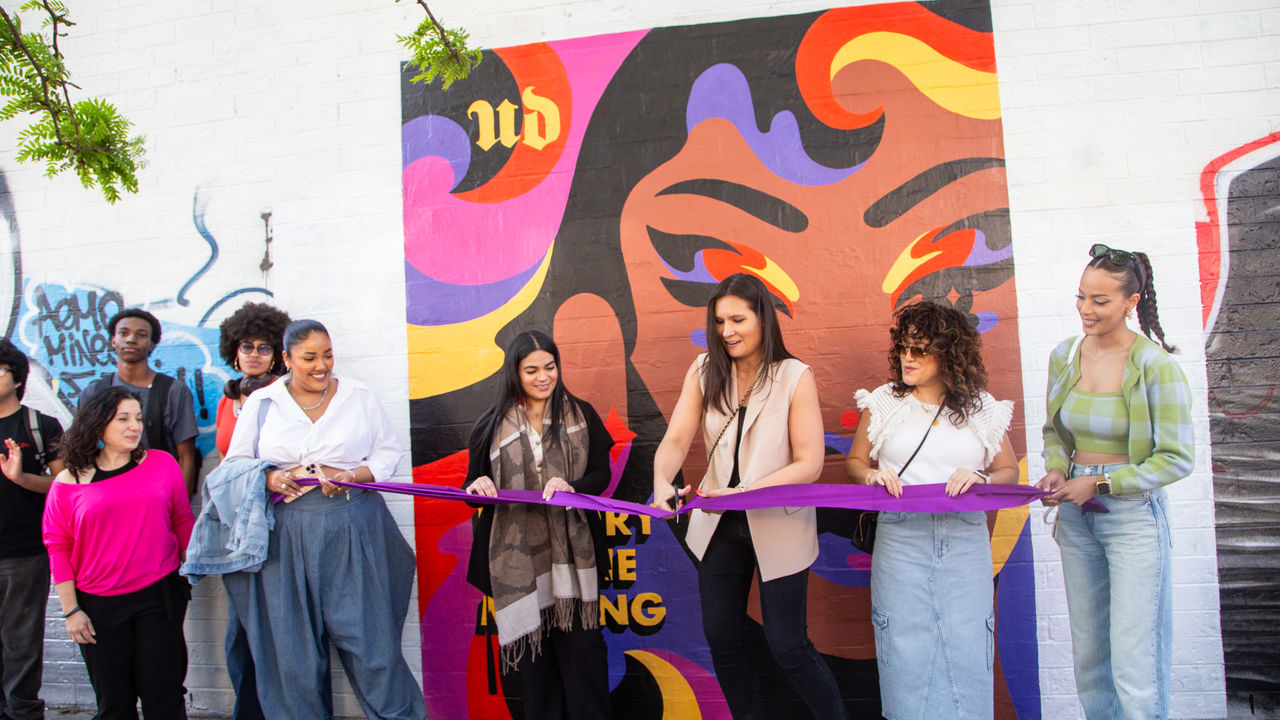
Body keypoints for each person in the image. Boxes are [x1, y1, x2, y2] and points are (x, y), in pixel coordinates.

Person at [650, 273, 846, 719]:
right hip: (718, 525)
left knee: (788, 644)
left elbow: (809, 463)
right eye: (719, 321)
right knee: (722, 638)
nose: (727, 331)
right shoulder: (703, 369)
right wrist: (662, 482)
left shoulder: (795, 375)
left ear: (763, 318)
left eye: (738, 319)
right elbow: (677, 439)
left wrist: (743, 493)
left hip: (779, 521)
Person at [221, 319, 425, 720]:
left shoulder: (358, 396)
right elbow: (234, 466)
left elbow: (387, 454)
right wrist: (270, 476)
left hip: (354, 525)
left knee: (372, 648)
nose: (321, 366)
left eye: (328, 355)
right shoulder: (263, 403)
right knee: (292, 656)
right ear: (287, 359)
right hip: (284, 535)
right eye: (309, 357)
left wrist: (350, 475)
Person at [1037, 244, 1193, 720]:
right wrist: (1058, 468)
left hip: (1132, 516)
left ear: (1131, 301)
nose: (1086, 309)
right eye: (1081, 297)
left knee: (1134, 659)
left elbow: (1176, 459)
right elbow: (1054, 433)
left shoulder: (1155, 366)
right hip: (1075, 513)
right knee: (1090, 657)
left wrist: (1101, 483)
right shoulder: (1065, 355)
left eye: (1100, 301)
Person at [845, 301, 1018, 719]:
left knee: (968, 640)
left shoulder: (981, 407)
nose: (907, 357)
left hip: (965, 534)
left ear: (949, 353)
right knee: (902, 643)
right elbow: (855, 463)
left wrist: (983, 481)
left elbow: (1008, 471)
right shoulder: (884, 402)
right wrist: (870, 477)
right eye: (904, 347)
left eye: (920, 350)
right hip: (900, 534)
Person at [464, 331, 615, 719]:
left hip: (575, 569)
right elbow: (472, 488)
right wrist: (478, 486)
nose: (544, 377)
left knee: (586, 665)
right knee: (535, 676)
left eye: (550, 367)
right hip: (520, 570)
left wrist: (572, 487)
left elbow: (602, 474)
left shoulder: (581, 415)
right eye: (532, 370)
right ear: (515, 373)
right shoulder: (489, 426)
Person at [43, 386, 195, 719]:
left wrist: (191, 568)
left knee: (164, 696)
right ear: (98, 426)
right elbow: (58, 547)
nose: (134, 426)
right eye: (123, 419)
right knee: (115, 704)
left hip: (159, 597)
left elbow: (181, 518)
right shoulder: (69, 483)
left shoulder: (161, 464)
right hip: (99, 606)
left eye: (138, 419)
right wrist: (71, 611)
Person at [213, 302, 291, 720]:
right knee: (239, 633)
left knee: (280, 629)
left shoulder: (285, 398)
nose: (256, 354)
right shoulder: (229, 402)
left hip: (280, 521)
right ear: (235, 350)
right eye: (248, 346)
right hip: (240, 526)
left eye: (266, 347)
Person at [0, 340, 65, 720]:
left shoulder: (40, 424)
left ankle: (23, 712)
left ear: (16, 376)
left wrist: (21, 477)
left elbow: (64, 486)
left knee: (21, 643)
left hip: (23, 553)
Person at [79, 308, 200, 495]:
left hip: (157, 498)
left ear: (152, 343)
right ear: (113, 340)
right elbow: (82, 451)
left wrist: (178, 511)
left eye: (141, 335)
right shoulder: (94, 393)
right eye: (124, 333)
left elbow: (186, 457)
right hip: (105, 497)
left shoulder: (173, 391)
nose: (131, 339)